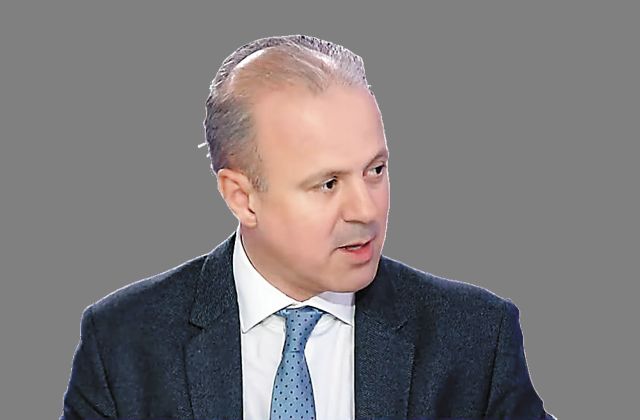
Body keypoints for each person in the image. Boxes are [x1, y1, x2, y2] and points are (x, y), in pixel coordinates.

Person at [60, 34, 556, 420]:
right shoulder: (124, 343)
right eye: (328, 183)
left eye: (375, 170)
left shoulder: (474, 338)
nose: (365, 209)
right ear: (242, 197)